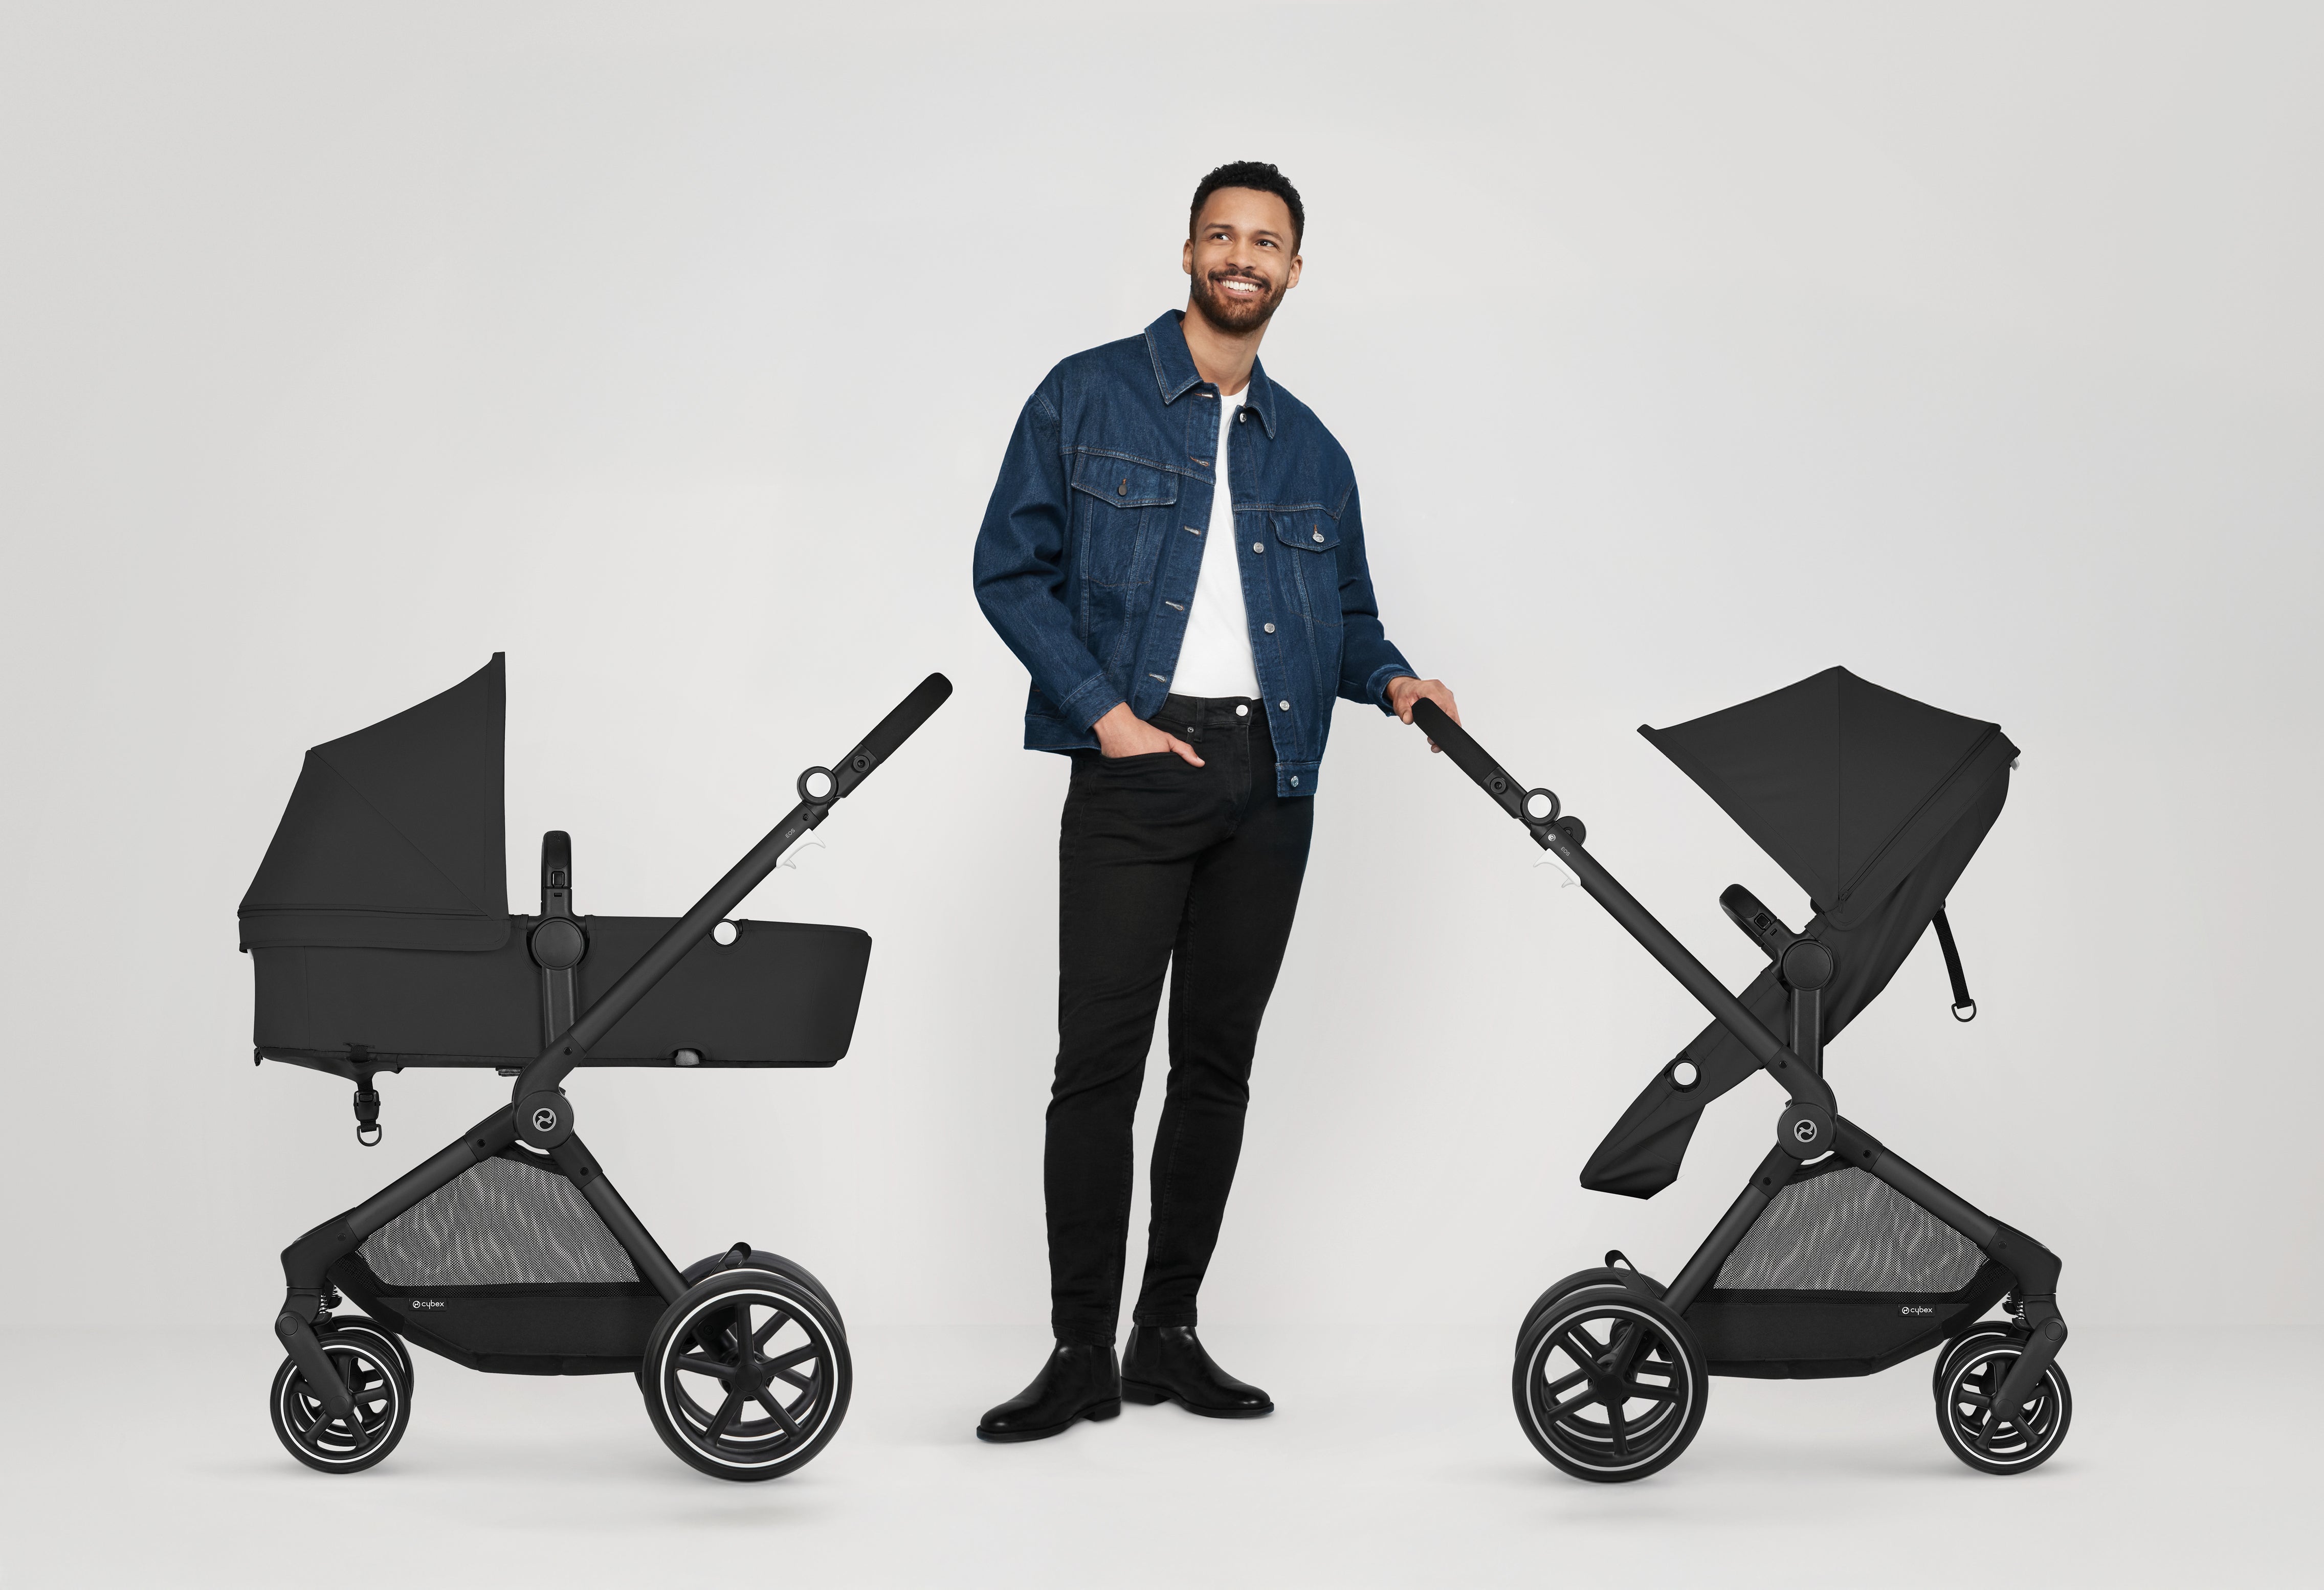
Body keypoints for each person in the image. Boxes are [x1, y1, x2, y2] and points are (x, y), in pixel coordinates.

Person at [970, 161, 1458, 1442]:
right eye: (1224, 236)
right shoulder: (1087, 395)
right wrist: (1107, 715)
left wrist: (1399, 679)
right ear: (1188, 251)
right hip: (1137, 769)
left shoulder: (1315, 448)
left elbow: (1346, 618)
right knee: (1098, 1071)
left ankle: (1165, 1336)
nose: (1244, 258)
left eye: (1269, 243)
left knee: (1218, 1070)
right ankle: (1078, 1353)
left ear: (1297, 271)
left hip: (1275, 778)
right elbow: (1008, 568)